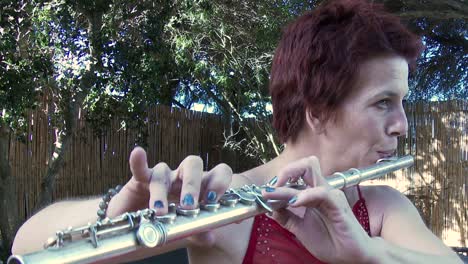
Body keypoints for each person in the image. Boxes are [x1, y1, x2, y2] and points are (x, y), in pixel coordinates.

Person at [11, 0, 462, 263]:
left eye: (401, 103)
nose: (402, 125)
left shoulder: (383, 209)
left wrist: (366, 254)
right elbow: (26, 247)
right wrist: (119, 206)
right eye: (384, 102)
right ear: (318, 111)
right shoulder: (230, 206)